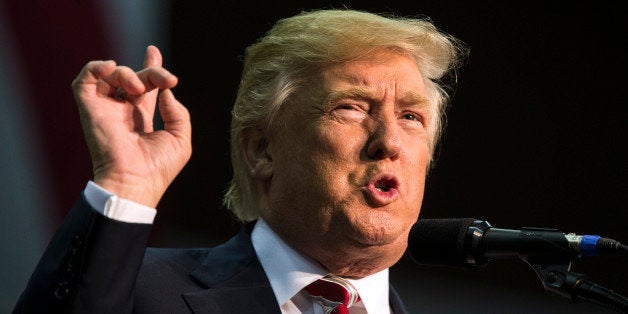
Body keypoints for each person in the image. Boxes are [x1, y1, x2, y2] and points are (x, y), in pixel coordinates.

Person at [14, 8, 465, 313]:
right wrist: (125, 185)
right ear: (261, 150)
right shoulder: (141, 292)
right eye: (350, 107)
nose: (388, 141)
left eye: (411, 116)